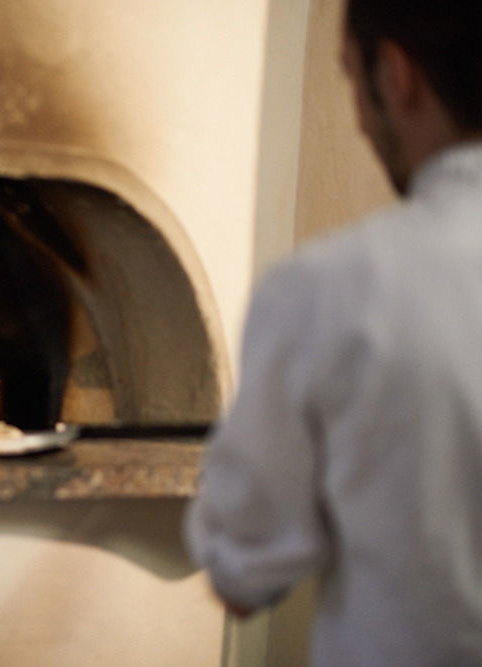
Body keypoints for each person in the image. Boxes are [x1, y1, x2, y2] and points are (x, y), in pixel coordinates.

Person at [183, 0, 482, 664]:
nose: (358, 120)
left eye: (353, 80)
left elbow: (245, 573)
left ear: (396, 74)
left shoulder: (331, 286)